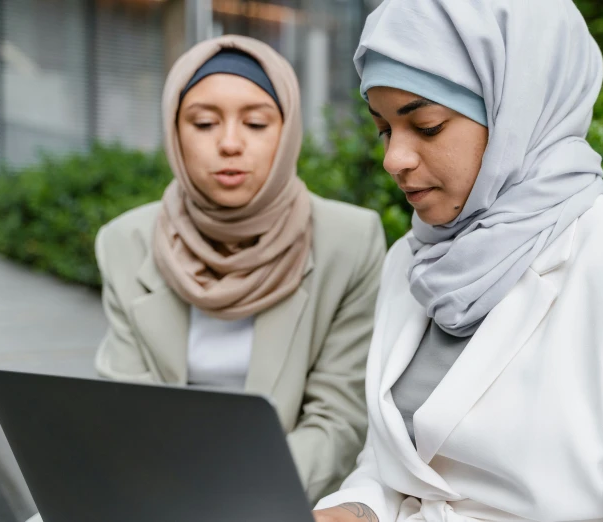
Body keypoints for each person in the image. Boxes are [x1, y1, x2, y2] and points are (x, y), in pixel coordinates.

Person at [312, 1, 603, 521]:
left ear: (516, 111)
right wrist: (357, 506)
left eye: (428, 126)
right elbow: (395, 461)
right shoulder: (412, 259)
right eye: (385, 129)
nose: (394, 159)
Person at [27, 35, 385, 522]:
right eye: (204, 122)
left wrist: (219, 498)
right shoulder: (125, 241)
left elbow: (337, 424)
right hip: (151, 489)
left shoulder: (350, 239)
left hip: (282, 495)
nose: (230, 143)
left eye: (256, 122)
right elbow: (125, 407)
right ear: (174, 132)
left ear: (288, 131)